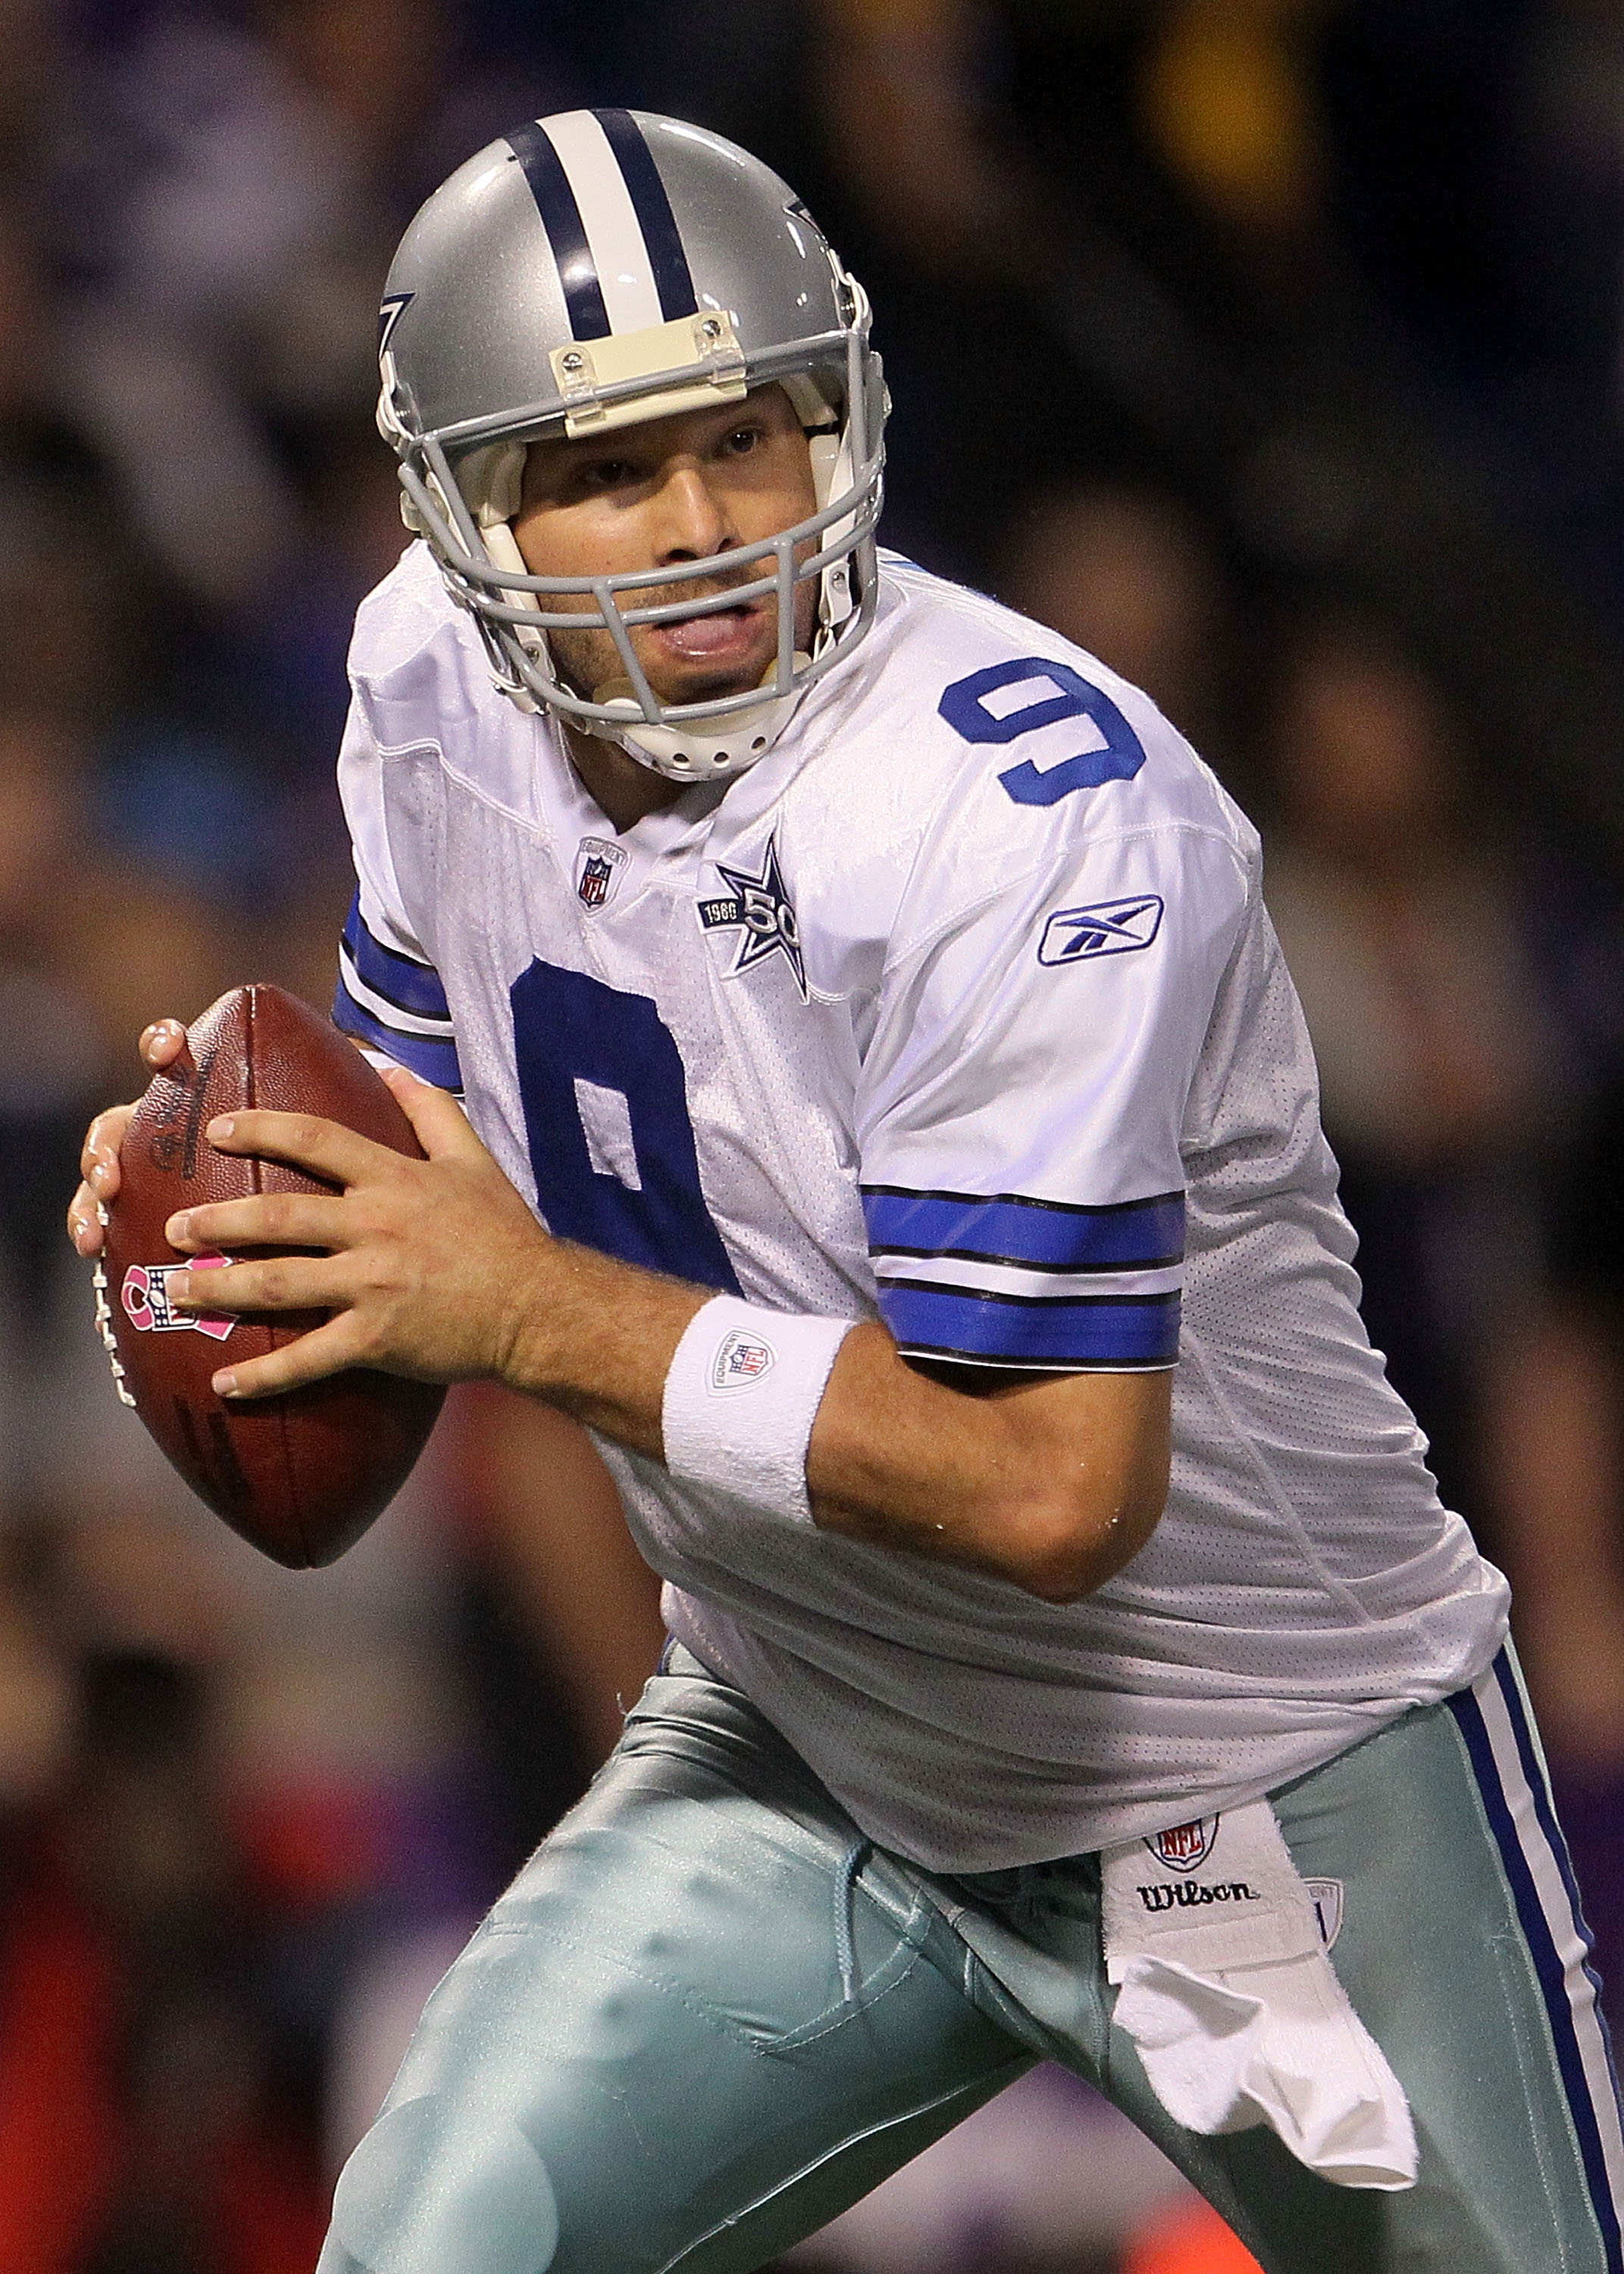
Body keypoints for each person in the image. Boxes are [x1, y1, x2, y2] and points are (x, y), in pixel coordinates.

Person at [67, 109, 1622, 2272]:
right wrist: (232, 1201)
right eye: (605, 471)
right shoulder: (425, 669)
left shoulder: (1021, 817)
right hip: (806, 1743)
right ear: (456, 507)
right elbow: (428, 1159)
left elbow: (1053, 1490)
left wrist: (512, 1307)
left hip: (1254, 1771)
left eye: (753, 436)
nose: (703, 524)